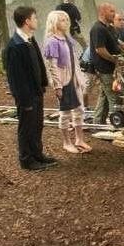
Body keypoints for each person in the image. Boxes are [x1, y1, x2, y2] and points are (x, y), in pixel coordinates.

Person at [3, 6, 57, 170]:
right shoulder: (14, 46)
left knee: (37, 125)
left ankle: (37, 154)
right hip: (26, 96)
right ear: (27, 21)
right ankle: (26, 159)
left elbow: (38, 63)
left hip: (36, 91)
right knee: (26, 127)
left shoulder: (29, 40)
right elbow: (15, 78)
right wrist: (25, 101)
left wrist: (42, 84)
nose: (37, 21)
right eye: (35, 18)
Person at [43, 11, 92, 154]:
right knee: (65, 113)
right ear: (54, 22)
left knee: (79, 110)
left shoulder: (67, 38)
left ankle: (79, 139)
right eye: (62, 20)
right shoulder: (52, 41)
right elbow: (52, 66)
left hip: (74, 78)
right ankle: (66, 142)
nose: (66, 22)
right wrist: (57, 86)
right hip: (64, 81)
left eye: (66, 19)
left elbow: (74, 60)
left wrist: (80, 78)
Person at [89, 2, 121, 125]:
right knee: (113, 97)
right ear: (103, 12)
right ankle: (116, 123)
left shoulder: (109, 28)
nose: (114, 14)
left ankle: (97, 123)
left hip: (110, 68)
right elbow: (100, 50)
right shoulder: (98, 29)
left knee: (104, 96)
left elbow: (117, 44)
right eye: (111, 11)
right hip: (104, 68)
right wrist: (114, 59)